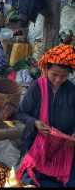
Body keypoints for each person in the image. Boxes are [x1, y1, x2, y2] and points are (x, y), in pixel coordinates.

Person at [14, 44, 75, 187]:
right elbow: (20, 113)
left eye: (64, 76)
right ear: (46, 69)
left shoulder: (72, 91)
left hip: (63, 146)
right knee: (30, 177)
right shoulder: (37, 87)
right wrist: (35, 122)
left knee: (69, 180)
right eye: (54, 74)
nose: (59, 79)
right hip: (36, 142)